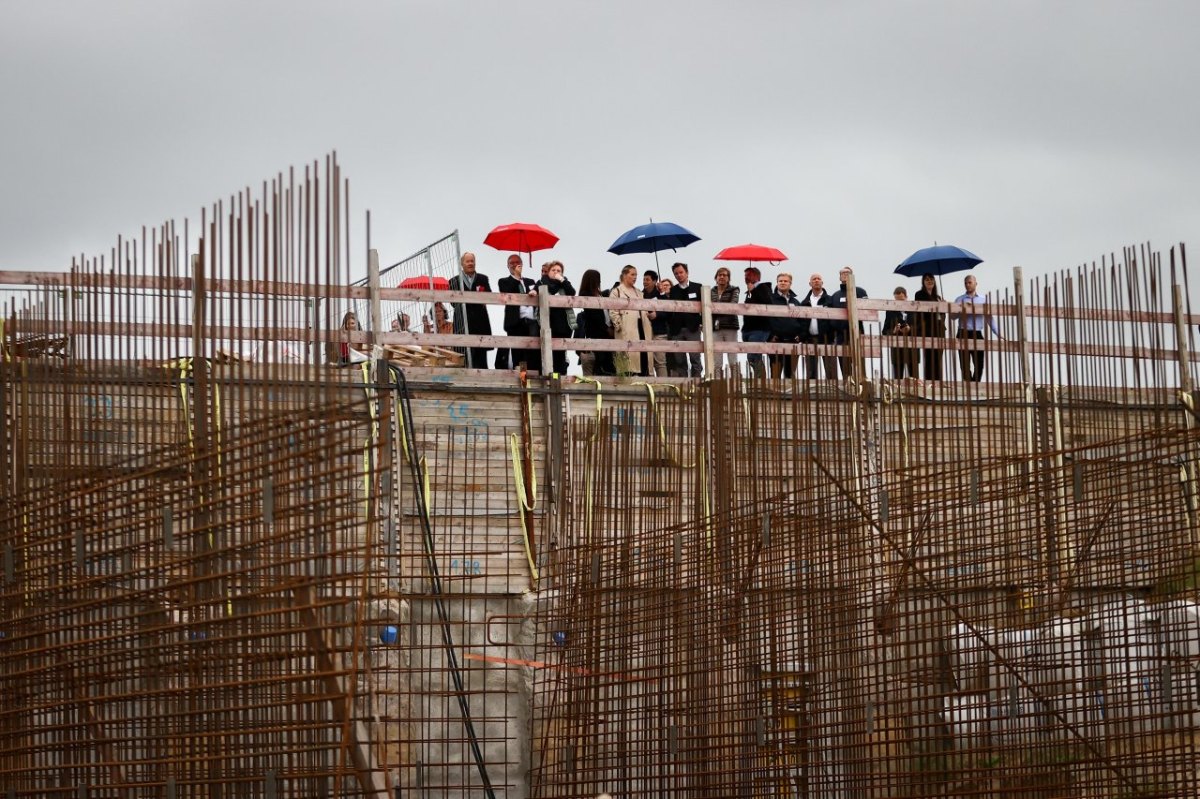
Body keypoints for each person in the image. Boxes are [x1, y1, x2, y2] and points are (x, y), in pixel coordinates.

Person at [448, 251, 493, 369]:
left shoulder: (483, 278)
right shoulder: (454, 280)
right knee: (463, 358)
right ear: (462, 264)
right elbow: (453, 302)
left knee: (481, 359)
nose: (470, 263)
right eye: (467, 261)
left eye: (472, 261)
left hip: (480, 323)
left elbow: (489, 296)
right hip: (462, 322)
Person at [496, 254, 540, 372]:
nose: (515, 265)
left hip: (531, 322)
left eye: (517, 262)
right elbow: (507, 293)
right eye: (512, 263)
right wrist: (516, 276)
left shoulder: (530, 281)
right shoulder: (504, 281)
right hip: (515, 322)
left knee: (532, 354)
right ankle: (521, 381)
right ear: (508, 266)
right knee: (518, 355)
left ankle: (532, 382)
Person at [953, 274, 1002, 381]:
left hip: (977, 333)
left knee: (979, 364)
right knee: (964, 365)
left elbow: (989, 319)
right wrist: (962, 310)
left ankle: (975, 385)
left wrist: (999, 334)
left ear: (976, 283)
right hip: (962, 333)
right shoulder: (959, 299)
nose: (967, 285)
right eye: (965, 283)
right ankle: (968, 386)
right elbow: (952, 317)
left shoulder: (983, 300)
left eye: (970, 282)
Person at [537, 261, 575, 375]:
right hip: (549, 323)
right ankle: (550, 380)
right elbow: (545, 290)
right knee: (549, 354)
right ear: (548, 272)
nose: (556, 272)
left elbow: (572, 292)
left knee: (561, 355)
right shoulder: (542, 282)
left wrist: (562, 280)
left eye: (559, 271)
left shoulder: (565, 283)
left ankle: (561, 379)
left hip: (564, 325)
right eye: (553, 270)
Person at [829, 266, 868, 380]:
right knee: (844, 364)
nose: (845, 275)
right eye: (842, 273)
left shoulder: (860, 292)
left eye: (847, 273)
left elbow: (866, 310)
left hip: (857, 333)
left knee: (859, 361)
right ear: (839, 277)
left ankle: (862, 385)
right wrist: (834, 325)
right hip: (841, 335)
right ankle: (847, 384)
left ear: (852, 275)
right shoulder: (835, 296)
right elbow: (830, 313)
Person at [611, 264, 650, 376]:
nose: (635, 277)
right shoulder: (617, 291)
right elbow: (613, 311)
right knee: (629, 360)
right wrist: (620, 326)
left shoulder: (639, 292)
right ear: (624, 275)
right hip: (627, 327)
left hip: (642, 326)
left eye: (636, 275)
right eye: (632, 274)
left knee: (643, 356)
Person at [797, 272, 836, 379]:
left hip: (827, 338)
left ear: (822, 283)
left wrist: (833, 334)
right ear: (810, 283)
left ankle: (832, 394)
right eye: (814, 279)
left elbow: (835, 319)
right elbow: (801, 322)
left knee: (831, 370)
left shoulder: (830, 300)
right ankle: (811, 394)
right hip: (810, 339)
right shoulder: (804, 302)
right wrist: (802, 335)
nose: (816, 280)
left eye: (818, 279)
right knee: (811, 372)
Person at [576, 269, 615, 376]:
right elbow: (594, 315)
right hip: (597, 332)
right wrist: (606, 329)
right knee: (600, 363)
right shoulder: (586, 294)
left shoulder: (599, 294)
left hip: (605, 331)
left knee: (608, 363)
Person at [667, 263, 703, 378]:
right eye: (676, 273)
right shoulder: (673, 290)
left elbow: (704, 306)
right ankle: (683, 384)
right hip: (677, 329)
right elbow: (669, 309)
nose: (679, 275)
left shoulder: (698, 287)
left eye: (681, 272)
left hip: (693, 328)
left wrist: (701, 322)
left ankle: (697, 382)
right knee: (679, 359)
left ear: (687, 272)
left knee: (695, 357)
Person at [768, 273, 803, 378]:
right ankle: (775, 395)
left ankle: (790, 395)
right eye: (780, 281)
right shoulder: (770, 300)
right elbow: (765, 319)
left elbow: (802, 321)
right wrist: (770, 336)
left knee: (790, 375)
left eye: (785, 281)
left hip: (793, 342)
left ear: (790, 283)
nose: (782, 283)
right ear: (777, 283)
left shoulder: (796, 301)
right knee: (775, 375)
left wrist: (800, 335)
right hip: (776, 341)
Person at [741, 267, 773, 379]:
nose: (746, 277)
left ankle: (761, 379)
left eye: (749, 274)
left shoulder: (764, 288)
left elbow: (767, 302)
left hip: (759, 328)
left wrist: (753, 290)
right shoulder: (750, 291)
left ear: (757, 276)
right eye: (745, 275)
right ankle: (759, 378)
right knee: (752, 357)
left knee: (753, 355)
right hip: (748, 328)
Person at [913, 272, 945, 381]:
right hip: (928, 329)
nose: (929, 281)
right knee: (929, 356)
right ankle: (929, 381)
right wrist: (936, 305)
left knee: (938, 357)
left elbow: (942, 315)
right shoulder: (919, 294)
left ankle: (938, 381)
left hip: (939, 329)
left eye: (931, 279)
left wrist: (942, 306)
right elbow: (922, 310)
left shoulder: (938, 297)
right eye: (926, 279)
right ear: (923, 282)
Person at [882, 286, 918, 379]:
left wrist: (910, 329)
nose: (899, 303)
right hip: (897, 351)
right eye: (897, 301)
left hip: (912, 350)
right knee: (897, 380)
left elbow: (920, 328)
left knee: (914, 380)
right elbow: (885, 331)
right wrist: (894, 331)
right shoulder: (890, 312)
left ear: (906, 297)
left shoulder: (914, 309)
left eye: (902, 300)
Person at [710, 267, 741, 376]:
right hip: (715, 327)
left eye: (724, 275)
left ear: (728, 278)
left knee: (732, 356)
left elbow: (733, 305)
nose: (722, 277)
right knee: (716, 357)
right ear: (716, 277)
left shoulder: (734, 289)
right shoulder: (711, 291)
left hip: (730, 326)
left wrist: (716, 310)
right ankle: (717, 381)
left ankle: (736, 380)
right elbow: (707, 307)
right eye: (719, 275)